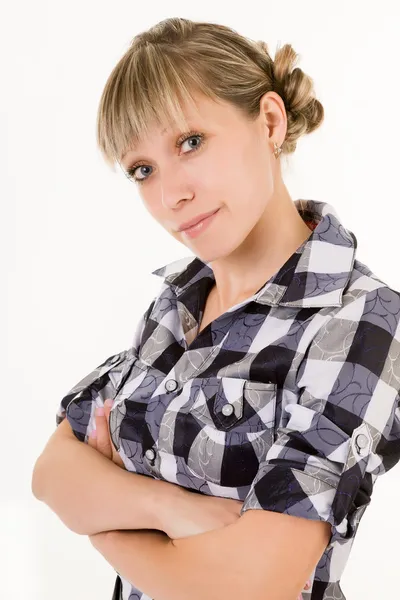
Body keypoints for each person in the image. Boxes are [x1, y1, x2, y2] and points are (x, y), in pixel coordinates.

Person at [31, 17, 400, 600]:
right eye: (142, 170)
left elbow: (247, 588)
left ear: (270, 122)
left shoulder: (359, 319)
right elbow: (52, 473)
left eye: (191, 142)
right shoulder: (173, 306)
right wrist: (169, 511)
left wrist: (102, 521)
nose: (170, 194)